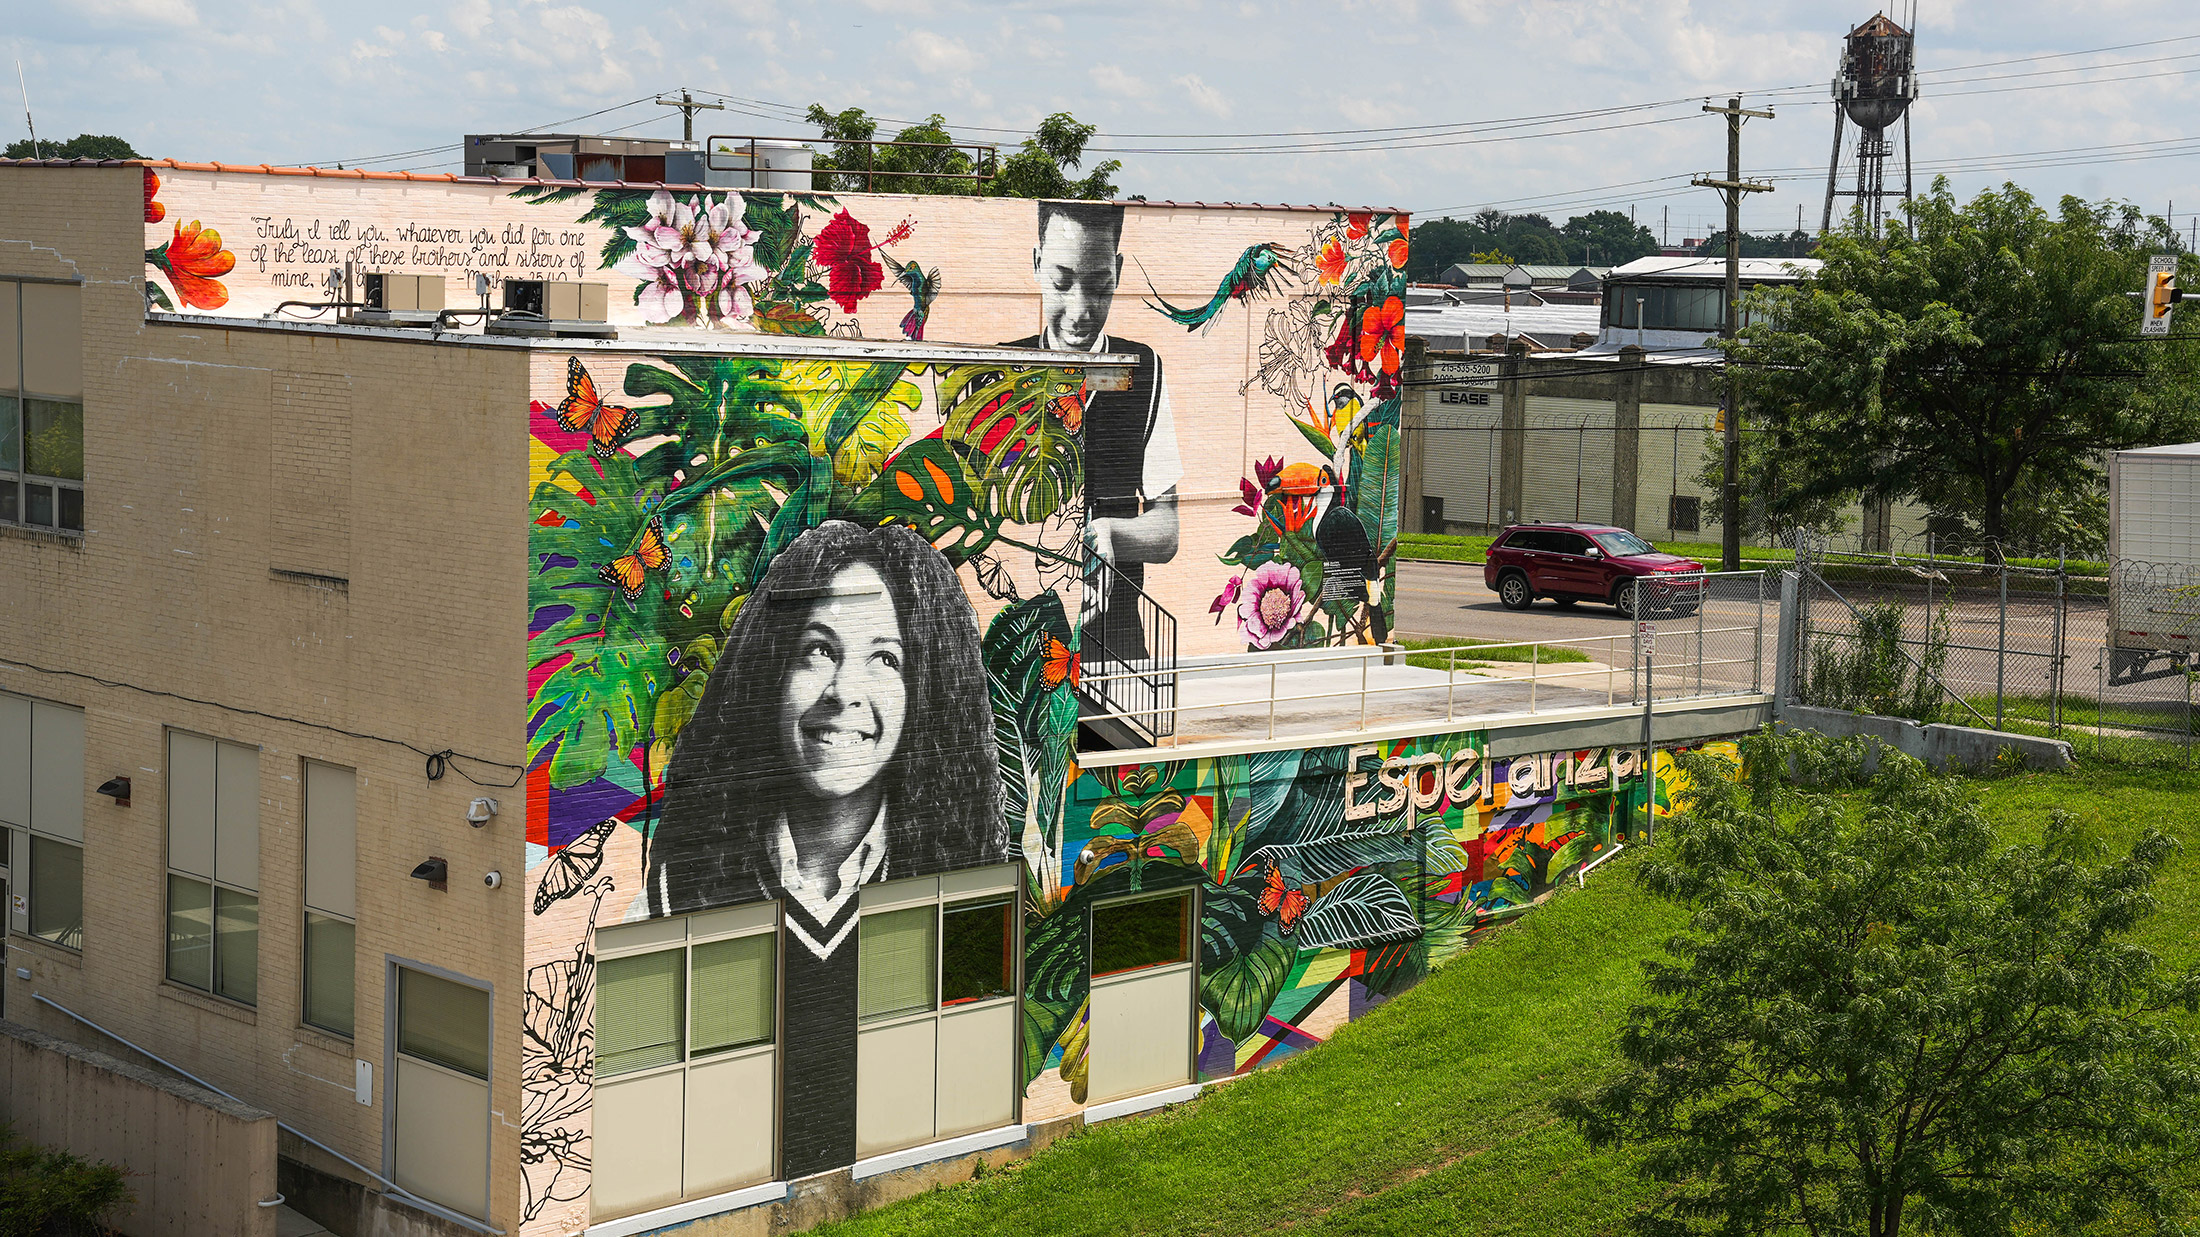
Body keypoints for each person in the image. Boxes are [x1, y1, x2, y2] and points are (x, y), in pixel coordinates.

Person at [646, 520, 1002, 1177]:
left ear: (927, 687)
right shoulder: (679, 882)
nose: (845, 689)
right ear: (772, 665)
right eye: (818, 650)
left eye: (885, 658)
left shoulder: (950, 876)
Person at [1003, 200, 1183, 660]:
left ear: (1118, 271)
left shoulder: (1144, 372)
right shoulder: (999, 372)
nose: (1081, 311)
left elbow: (1167, 532)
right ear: (1037, 262)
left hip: (1116, 644)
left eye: (1101, 287)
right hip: (1021, 648)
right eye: (1062, 283)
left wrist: (1110, 534)